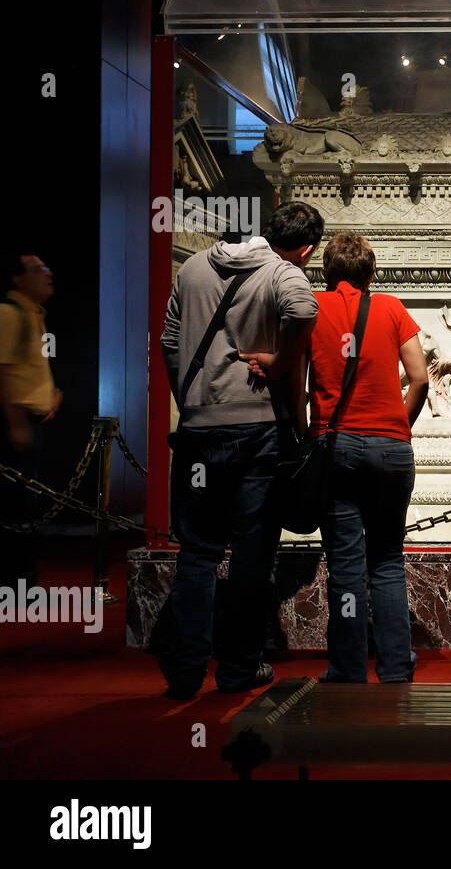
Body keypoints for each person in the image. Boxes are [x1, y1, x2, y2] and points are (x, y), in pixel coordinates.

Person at [157, 203, 321, 699]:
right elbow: (305, 311)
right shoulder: (281, 271)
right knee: (252, 555)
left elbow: (168, 341)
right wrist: (280, 359)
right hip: (257, 432)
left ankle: (184, 674)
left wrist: (190, 396)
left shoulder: (190, 269)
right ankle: (237, 670)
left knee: (198, 553)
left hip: (200, 430)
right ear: (307, 248)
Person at [301, 232, 426, 682]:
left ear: (326, 272)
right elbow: (420, 378)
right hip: (392, 449)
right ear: (371, 273)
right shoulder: (391, 308)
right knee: (389, 561)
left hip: (337, 448)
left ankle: (348, 670)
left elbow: (297, 384)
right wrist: (398, 426)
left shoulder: (313, 308)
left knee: (347, 568)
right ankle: (396, 669)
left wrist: (307, 438)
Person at [0, 251, 62, 587]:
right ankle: (12, 584)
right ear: (18, 278)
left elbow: (24, 370)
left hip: (30, 423)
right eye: (39, 270)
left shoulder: (33, 315)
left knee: (28, 508)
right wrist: (16, 424)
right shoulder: (9, 315)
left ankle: (21, 580)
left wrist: (48, 396)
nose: (47, 275)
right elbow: (3, 370)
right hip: (15, 427)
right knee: (14, 510)